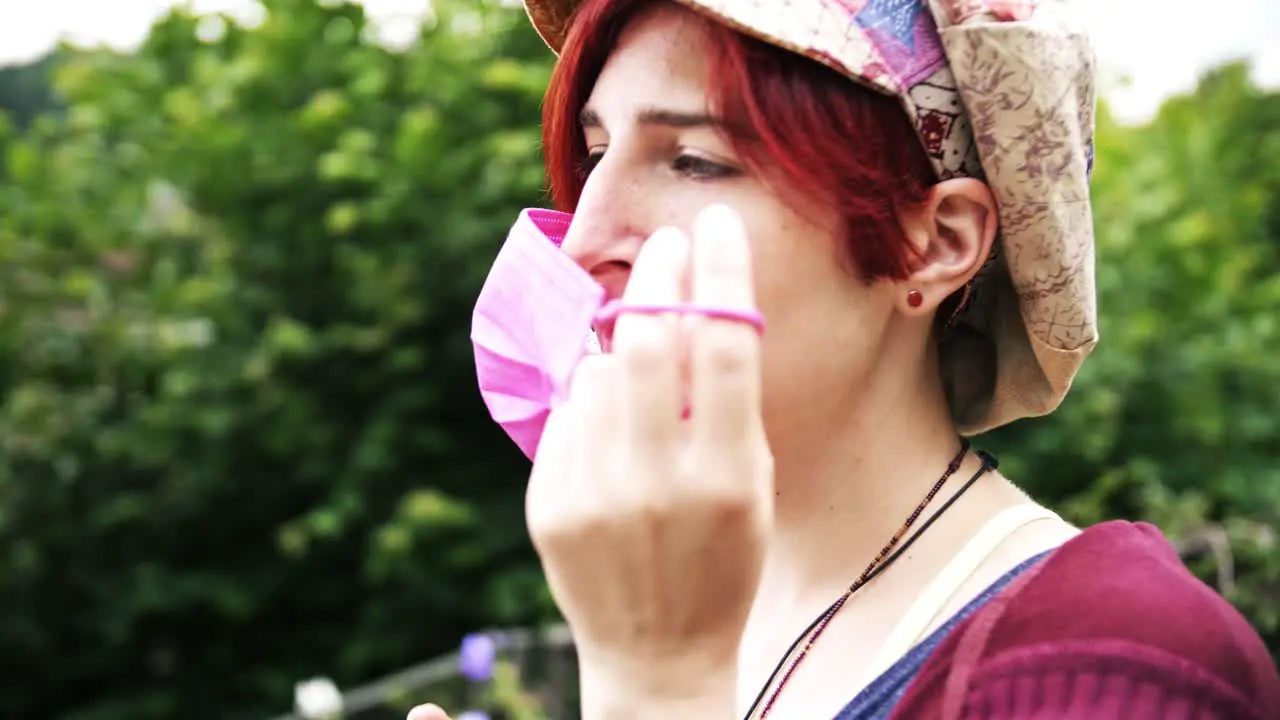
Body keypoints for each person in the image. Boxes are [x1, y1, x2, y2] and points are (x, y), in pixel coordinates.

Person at [417, 0, 1280, 718]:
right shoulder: (699, 614)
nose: (583, 243)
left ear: (935, 244)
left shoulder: (1120, 666)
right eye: (597, 155)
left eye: (695, 161)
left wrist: (658, 691)